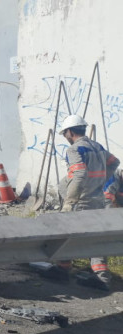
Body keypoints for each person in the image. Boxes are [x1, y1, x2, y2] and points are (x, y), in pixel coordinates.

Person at [56, 114, 119, 289]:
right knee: (95, 237)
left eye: (64, 134)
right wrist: (100, 181)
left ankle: (62, 271)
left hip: (81, 201)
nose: (65, 137)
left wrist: (70, 201)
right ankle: (102, 277)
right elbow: (115, 162)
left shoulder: (74, 150)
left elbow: (80, 174)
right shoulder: (97, 146)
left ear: (69, 132)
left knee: (67, 234)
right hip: (97, 199)